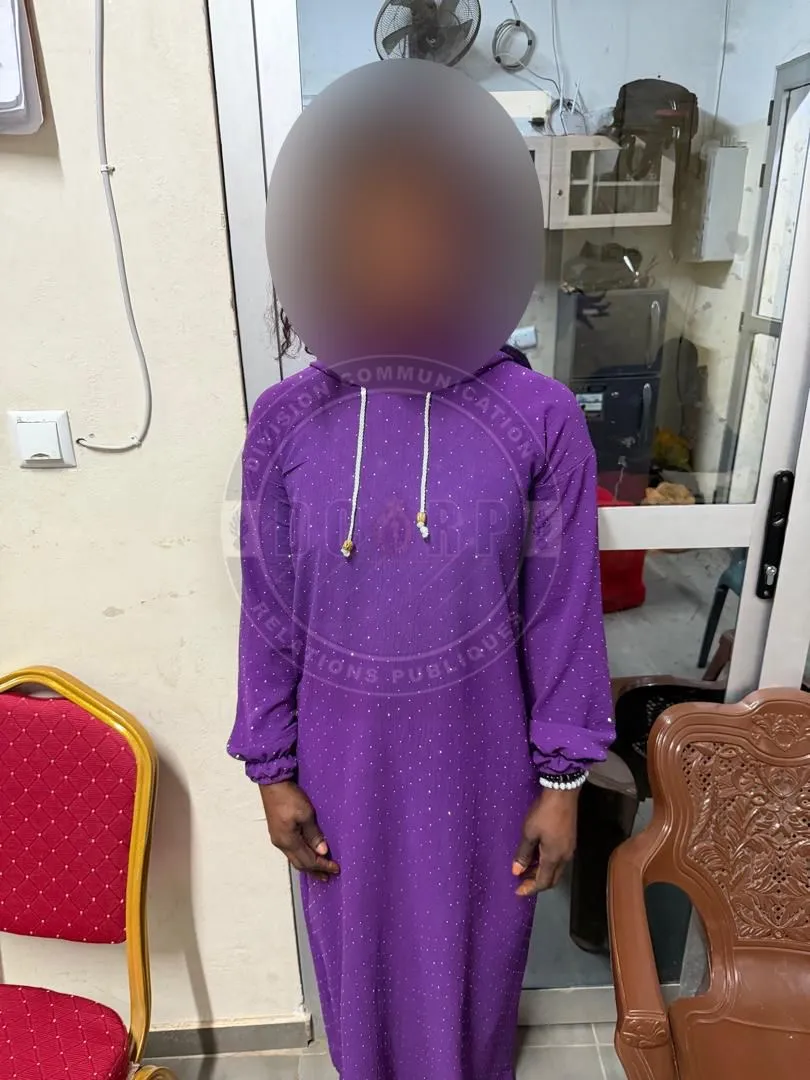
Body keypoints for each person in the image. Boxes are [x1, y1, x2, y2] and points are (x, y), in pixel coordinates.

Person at [229, 62, 613, 1080]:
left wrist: (563, 782)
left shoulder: (540, 419)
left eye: (427, 226)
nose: (402, 252)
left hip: (483, 765)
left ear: (473, 239)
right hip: (341, 767)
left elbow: (563, 614)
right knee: (361, 982)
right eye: (375, 229)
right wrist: (272, 770)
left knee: (473, 980)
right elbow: (269, 609)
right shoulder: (287, 422)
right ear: (330, 243)